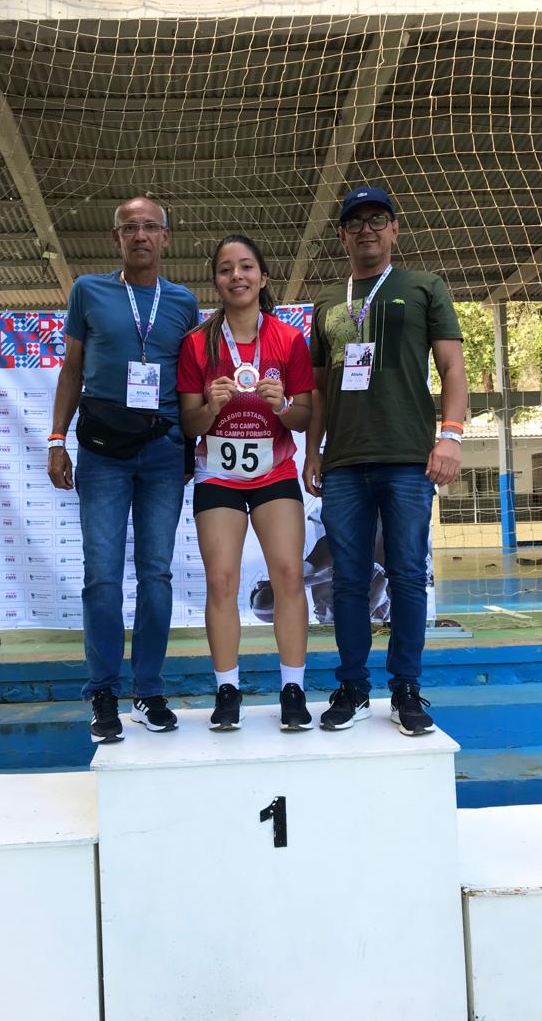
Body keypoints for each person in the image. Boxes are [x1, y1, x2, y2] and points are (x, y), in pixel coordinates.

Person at [304, 186, 468, 736]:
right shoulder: (328, 300)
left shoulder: (424, 287)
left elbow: (453, 368)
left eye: (378, 219)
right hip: (344, 462)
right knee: (348, 581)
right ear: (342, 235)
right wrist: (314, 450)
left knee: (407, 577)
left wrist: (451, 437)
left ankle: (406, 689)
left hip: (408, 459)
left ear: (395, 229)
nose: (367, 229)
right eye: (355, 222)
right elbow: (319, 388)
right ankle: (352, 687)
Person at [48, 197, 199, 743]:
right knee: (102, 575)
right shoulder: (88, 291)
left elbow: (191, 380)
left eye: (150, 227)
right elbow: (72, 369)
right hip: (104, 451)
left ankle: (149, 690)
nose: (140, 235)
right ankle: (104, 692)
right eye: (129, 227)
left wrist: (190, 446)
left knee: (156, 574)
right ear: (116, 239)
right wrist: (56, 439)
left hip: (163, 451)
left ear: (166, 238)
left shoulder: (183, 302)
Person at [177, 235, 314, 731]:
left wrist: (284, 406)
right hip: (218, 474)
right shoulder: (198, 343)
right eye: (226, 269)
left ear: (263, 277)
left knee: (289, 575)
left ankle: (293, 689)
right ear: (216, 281)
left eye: (246, 267)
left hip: (274, 471)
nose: (237, 276)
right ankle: (227, 689)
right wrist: (210, 408)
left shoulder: (289, 339)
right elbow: (189, 424)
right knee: (221, 580)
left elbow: (304, 416)